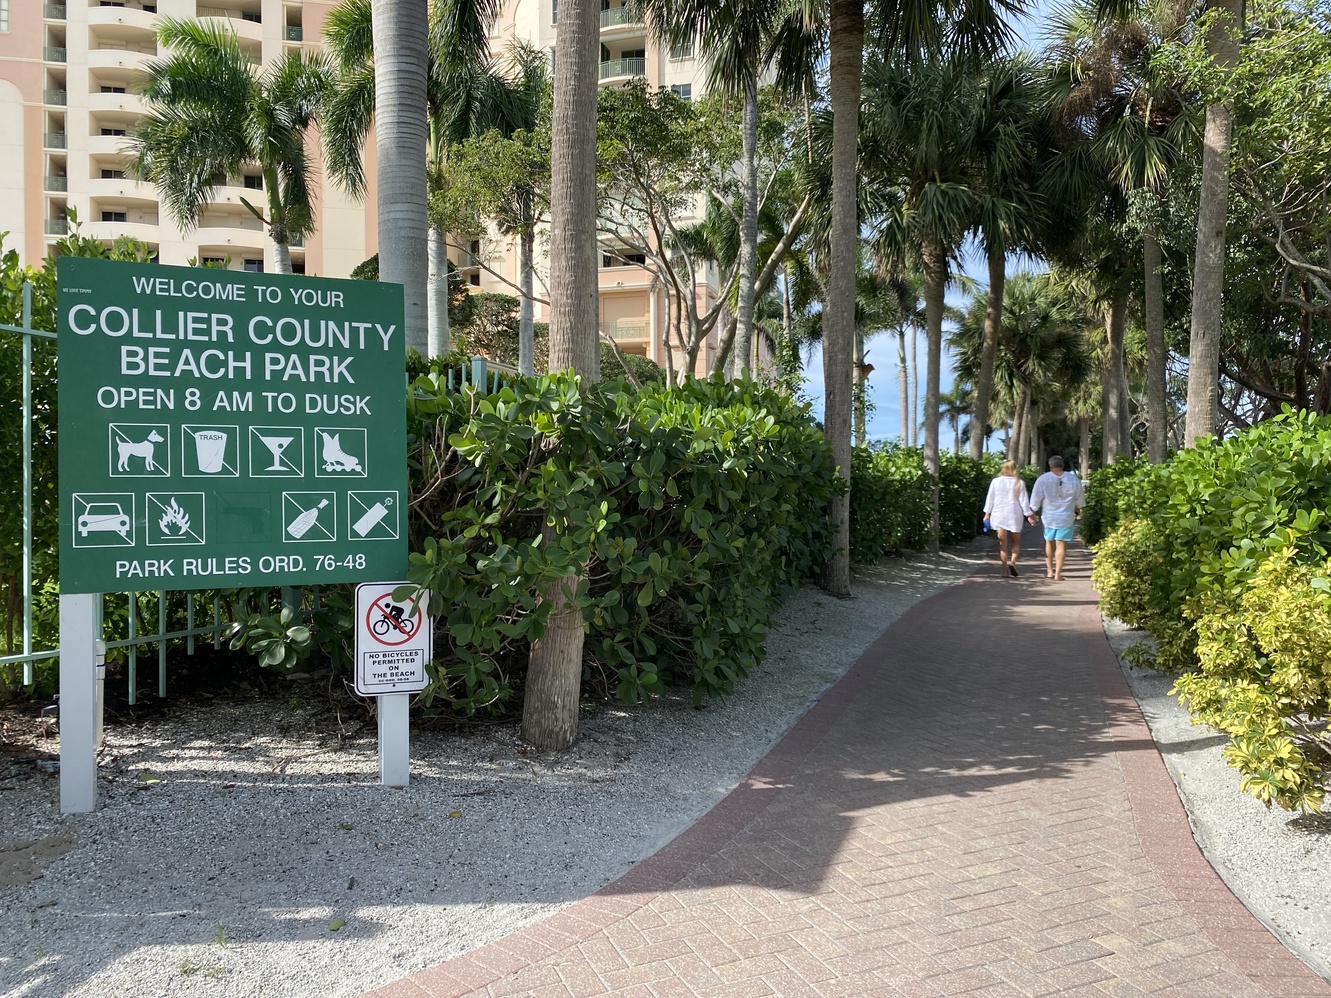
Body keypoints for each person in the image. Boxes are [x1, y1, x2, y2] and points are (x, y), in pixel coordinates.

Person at [1027, 455, 1085, 581]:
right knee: (1061, 544)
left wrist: (1032, 513)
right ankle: (1058, 573)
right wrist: (1078, 508)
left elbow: (1035, 499)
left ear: (1050, 465)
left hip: (1049, 517)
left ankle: (1049, 571)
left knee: (1049, 542)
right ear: (1062, 465)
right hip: (1066, 516)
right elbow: (1080, 500)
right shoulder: (1073, 479)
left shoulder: (1043, 479)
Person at [982, 460, 1032, 577]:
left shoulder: (995, 482)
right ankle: (1013, 562)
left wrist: (987, 514)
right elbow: (1024, 501)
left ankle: (1005, 571)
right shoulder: (1019, 482)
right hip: (1014, 515)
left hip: (999, 515)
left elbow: (990, 499)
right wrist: (1029, 514)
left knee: (1002, 545)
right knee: (1016, 543)